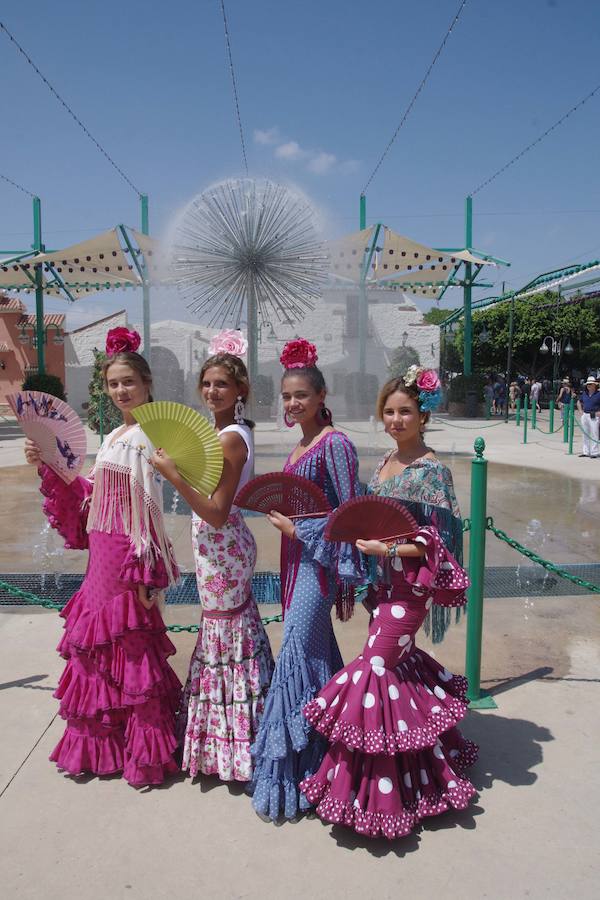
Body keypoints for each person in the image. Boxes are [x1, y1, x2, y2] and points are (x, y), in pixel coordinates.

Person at [299, 366, 478, 839]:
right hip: (380, 587)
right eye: (389, 412)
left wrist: (390, 550)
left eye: (405, 412)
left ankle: (373, 787)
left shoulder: (431, 471)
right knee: (399, 670)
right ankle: (426, 771)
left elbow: (435, 543)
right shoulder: (383, 464)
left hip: (409, 588)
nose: (396, 420)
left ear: (424, 415)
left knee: (374, 668)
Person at [24, 327, 181, 786]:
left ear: (147, 384)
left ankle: (140, 752)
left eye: (129, 381)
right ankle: (104, 746)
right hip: (101, 553)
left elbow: (148, 511)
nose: (121, 390)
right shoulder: (115, 434)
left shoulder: (155, 434)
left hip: (127, 557)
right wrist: (50, 462)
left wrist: (146, 571)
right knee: (97, 647)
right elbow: (94, 495)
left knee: (130, 647)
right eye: (113, 383)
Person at [247, 338, 367, 821]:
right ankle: (324, 763)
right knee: (314, 655)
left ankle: (292, 775)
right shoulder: (301, 444)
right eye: (287, 397)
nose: (293, 403)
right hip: (296, 562)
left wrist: (299, 529)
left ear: (321, 396)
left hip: (317, 566)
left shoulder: (336, 444)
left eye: (301, 395)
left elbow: (346, 515)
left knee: (297, 652)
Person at [151, 330, 274, 783]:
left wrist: (173, 476)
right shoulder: (226, 432)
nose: (211, 391)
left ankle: (236, 740)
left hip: (222, 547)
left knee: (226, 637)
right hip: (221, 548)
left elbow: (219, 513)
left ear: (240, 389)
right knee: (229, 634)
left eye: (221, 383)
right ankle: (236, 731)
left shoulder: (230, 439)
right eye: (206, 383)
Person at [577, 375, 600, 458]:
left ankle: (595, 452)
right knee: (585, 433)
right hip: (585, 415)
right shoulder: (585, 394)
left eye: (590, 384)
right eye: (588, 384)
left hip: (594, 415)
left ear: (595, 385)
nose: (589, 386)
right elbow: (579, 402)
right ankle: (586, 451)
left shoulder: (598, 394)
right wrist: (580, 411)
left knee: (594, 433)